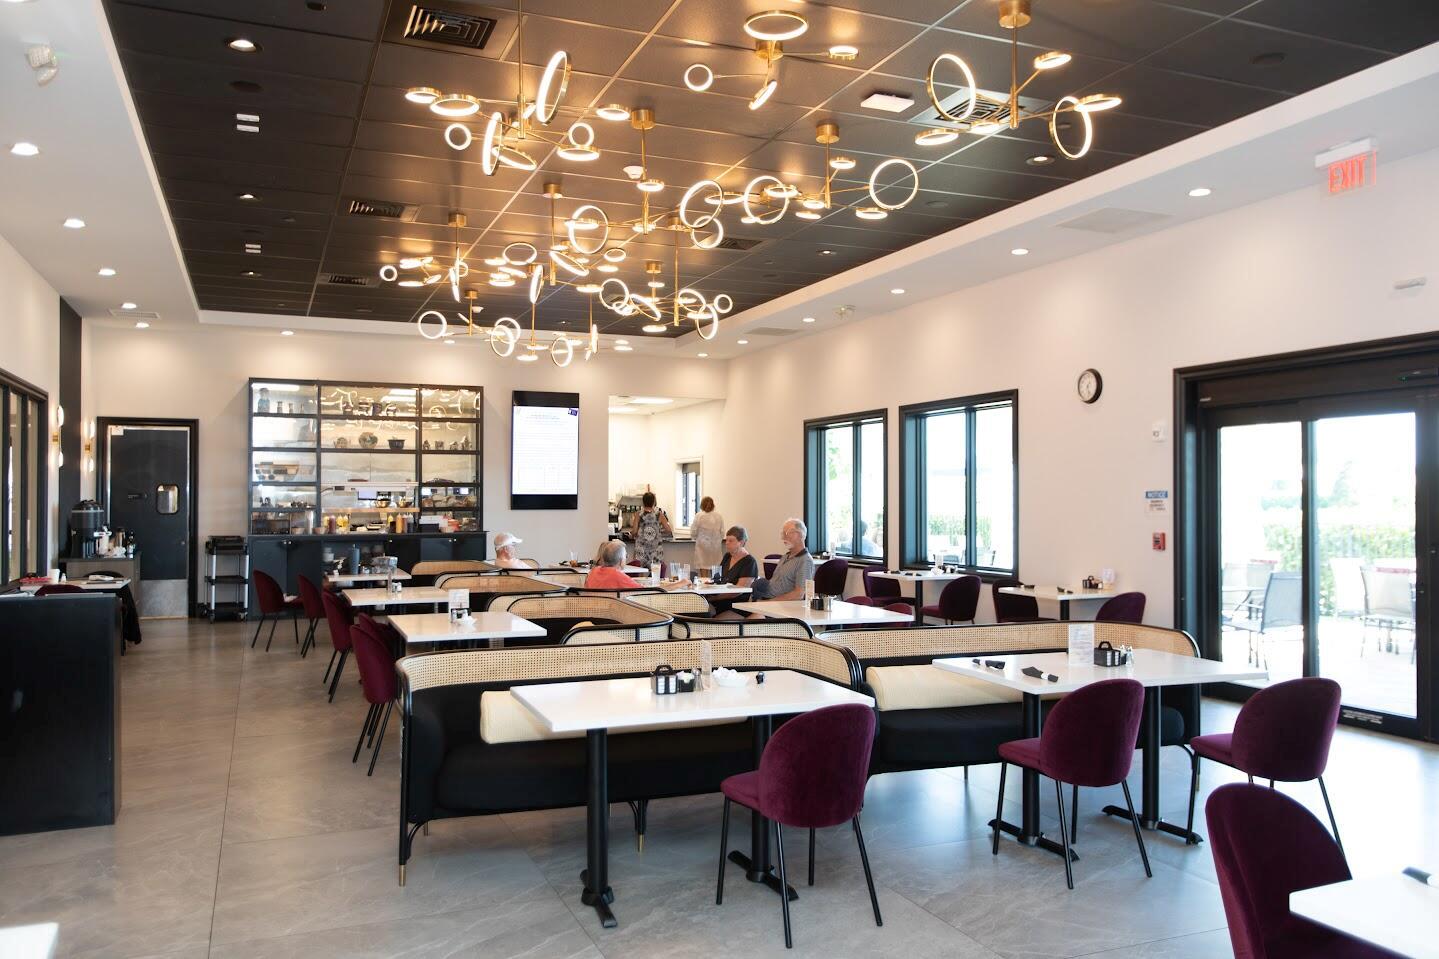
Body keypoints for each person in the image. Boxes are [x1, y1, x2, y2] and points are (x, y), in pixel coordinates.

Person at [748, 518, 815, 602]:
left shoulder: (805, 560)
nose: (783, 537)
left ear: (799, 535)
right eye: (782, 534)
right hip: (764, 599)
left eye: (786, 533)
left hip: (777, 604)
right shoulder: (785, 557)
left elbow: (799, 594)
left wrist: (769, 603)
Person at [630, 491, 671, 570]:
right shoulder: (659, 514)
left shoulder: (638, 514)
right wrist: (658, 532)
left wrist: (632, 534)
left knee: (641, 570)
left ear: (643, 502)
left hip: (641, 548)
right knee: (655, 571)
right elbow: (668, 530)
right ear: (654, 502)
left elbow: (634, 531)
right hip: (655, 549)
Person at [691, 496, 725, 569]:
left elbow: (693, 531)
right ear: (713, 505)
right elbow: (722, 532)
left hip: (702, 547)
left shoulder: (699, 516)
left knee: (703, 567)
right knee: (715, 570)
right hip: (716, 547)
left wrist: (694, 537)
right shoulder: (719, 516)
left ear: (702, 505)